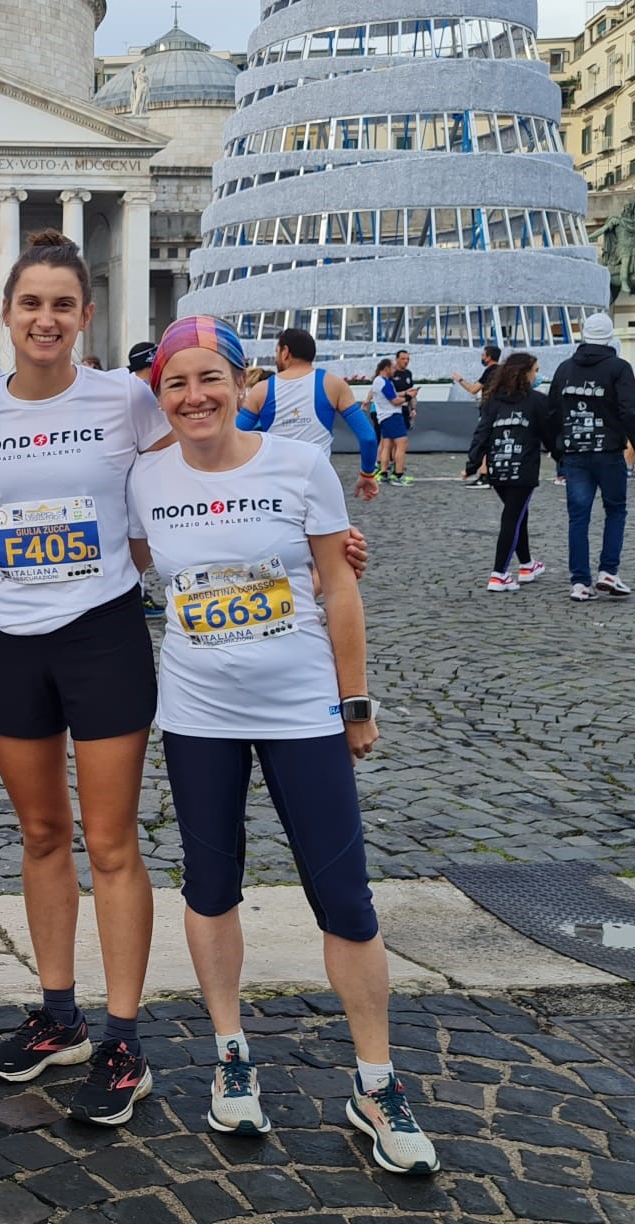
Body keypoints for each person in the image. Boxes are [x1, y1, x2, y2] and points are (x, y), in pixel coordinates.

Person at [127, 315, 438, 1177]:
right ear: (161, 395)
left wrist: (356, 704)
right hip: (198, 714)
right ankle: (231, 1055)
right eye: (176, 383)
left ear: (243, 383)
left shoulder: (300, 464)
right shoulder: (144, 479)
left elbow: (339, 587)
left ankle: (377, 1081)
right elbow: (138, 564)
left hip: (302, 709)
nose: (195, 396)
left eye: (210, 379)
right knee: (211, 883)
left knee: (344, 894)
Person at [0, 232, 166, 1124]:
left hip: (103, 632)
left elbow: (190, 488)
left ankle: (123, 1037)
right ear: (5, 314)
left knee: (111, 839)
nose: (45, 319)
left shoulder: (126, 398)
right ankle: (58, 1016)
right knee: (42, 832)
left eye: (63, 305)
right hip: (10, 633)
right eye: (30, 303)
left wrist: (305, 548)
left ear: (87, 315)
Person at [550, 313, 635, 602]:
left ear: (583, 334)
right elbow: (630, 411)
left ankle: (580, 582)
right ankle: (608, 571)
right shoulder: (618, 368)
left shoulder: (565, 368)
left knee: (578, 518)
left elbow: (553, 413)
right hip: (608, 451)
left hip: (575, 451)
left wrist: (560, 452)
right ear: (610, 337)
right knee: (615, 510)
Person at [237, 327, 380, 502]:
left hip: (276, 486)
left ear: (285, 352)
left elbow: (232, 436)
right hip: (320, 483)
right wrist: (367, 473)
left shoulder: (262, 390)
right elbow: (368, 437)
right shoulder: (333, 385)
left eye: (276, 351)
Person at [463, 353, 557, 590]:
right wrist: (562, 459)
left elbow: (482, 432)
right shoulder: (537, 401)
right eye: (535, 370)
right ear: (525, 373)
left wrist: (472, 464)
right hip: (523, 469)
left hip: (499, 467)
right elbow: (550, 435)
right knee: (512, 518)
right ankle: (499, 573)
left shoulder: (493, 401)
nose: (537, 375)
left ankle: (527, 565)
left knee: (517, 515)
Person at [367, 360, 410, 484]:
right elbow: (394, 401)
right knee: (402, 445)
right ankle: (398, 475)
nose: (394, 370)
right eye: (392, 368)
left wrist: (405, 393)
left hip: (384, 417)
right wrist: (408, 397)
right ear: (386, 368)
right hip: (392, 415)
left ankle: (384, 472)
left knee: (387, 445)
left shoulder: (378, 381)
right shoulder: (383, 382)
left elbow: (392, 395)